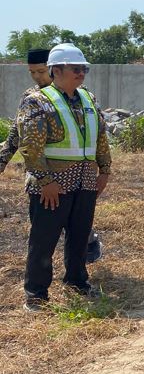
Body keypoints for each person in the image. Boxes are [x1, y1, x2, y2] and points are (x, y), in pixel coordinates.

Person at [17, 44, 111, 311]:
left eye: (84, 69)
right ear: (56, 71)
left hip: (85, 181)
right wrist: (46, 182)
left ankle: (77, 281)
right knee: (43, 240)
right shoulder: (38, 100)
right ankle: (36, 294)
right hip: (52, 186)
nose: (81, 73)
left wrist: (104, 170)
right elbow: (30, 147)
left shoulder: (88, 98)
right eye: (75, 68)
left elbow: (100, 137)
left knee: (80, 236)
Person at [1, 48, 104, 263]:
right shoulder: (32, 98)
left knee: (78, 227)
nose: (37, 77)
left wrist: (103, 168)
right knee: (44, 232)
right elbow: (16, 136)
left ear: (52, 69)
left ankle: (83, 256)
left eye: (41, 72)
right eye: (32, 73)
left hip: (80, 177)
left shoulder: (81, 96)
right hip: (43, 177)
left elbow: (97, 134)